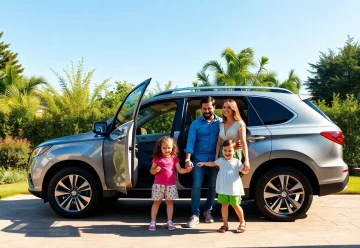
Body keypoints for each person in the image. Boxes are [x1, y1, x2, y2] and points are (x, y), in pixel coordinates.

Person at [197, 139, 249, 233]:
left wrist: (246, 170)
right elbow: (213, 163)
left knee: (236, 205)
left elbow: (244, 171)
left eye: (229, 150)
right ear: (222, 151)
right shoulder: (221, 160)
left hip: (234, 189)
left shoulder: (237, 162)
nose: (227, 152)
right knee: (224, 206)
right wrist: (204, 163)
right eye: (225, 150)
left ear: (235, 151)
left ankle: (242, 222)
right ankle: (225, 224)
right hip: (223, 189)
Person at [184, 96, 222, 227]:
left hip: (215, 159)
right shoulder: (195, 124)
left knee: (212, 186)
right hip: (199, 159)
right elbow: (190, 142)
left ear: (214, 108)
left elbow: (230, 136)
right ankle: (195, 214)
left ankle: (208, 211)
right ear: (201, 108)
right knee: (197, 185)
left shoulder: (221, 122)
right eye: (204, 108)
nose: (206, 111)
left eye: (209, 108)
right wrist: (188, 159)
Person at [149, 136, 190, 231]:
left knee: (170, 202)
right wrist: (155, 170)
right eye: (164, 148)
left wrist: (187, 170)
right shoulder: (157, 158)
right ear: (160, 147)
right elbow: (151, 170)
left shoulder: (174, 158)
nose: (167, 150)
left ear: (173, 147)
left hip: (170, 185)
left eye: (169, 148)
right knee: (156, 202)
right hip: (158, 185)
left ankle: (170, 221)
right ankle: (153, 221)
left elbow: (179, 170)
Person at [215, 99, 250, 172]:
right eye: (224, 107)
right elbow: (219, 141)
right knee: (224, 177)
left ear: (234, 109)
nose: (226, 109)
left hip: (235, 154)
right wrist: (216, 156)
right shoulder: (221, 124)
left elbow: (243, 142)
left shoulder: (240, 124)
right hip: (223, 154)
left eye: (229, 107)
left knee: (234, 177)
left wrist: (246, 159)